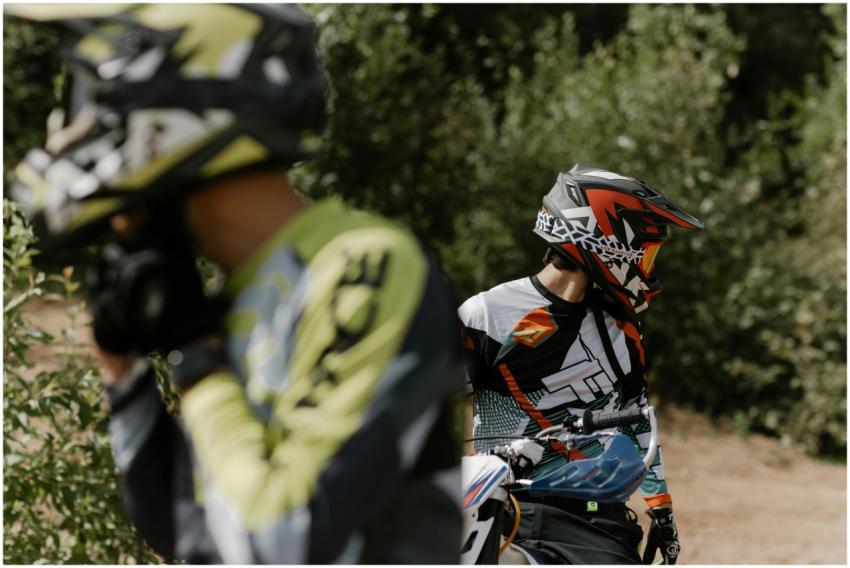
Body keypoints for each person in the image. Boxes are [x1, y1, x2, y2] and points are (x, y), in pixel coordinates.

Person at [8, 4, 463, 563]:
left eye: (88, 98)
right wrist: (123, 375)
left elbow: (284, 547)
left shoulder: (364, 268)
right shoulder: (238, 295)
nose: (66, 127)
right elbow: (188, 534)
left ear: (174, 109)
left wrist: (200, 364)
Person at [459, 164, 703, 564]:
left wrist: (660, 509)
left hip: (599, 522)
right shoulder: (489, 314)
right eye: (646, 250)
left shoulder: (621, 331)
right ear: (607, 242)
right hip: (508, 511)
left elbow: (638, 422)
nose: (649, 266)